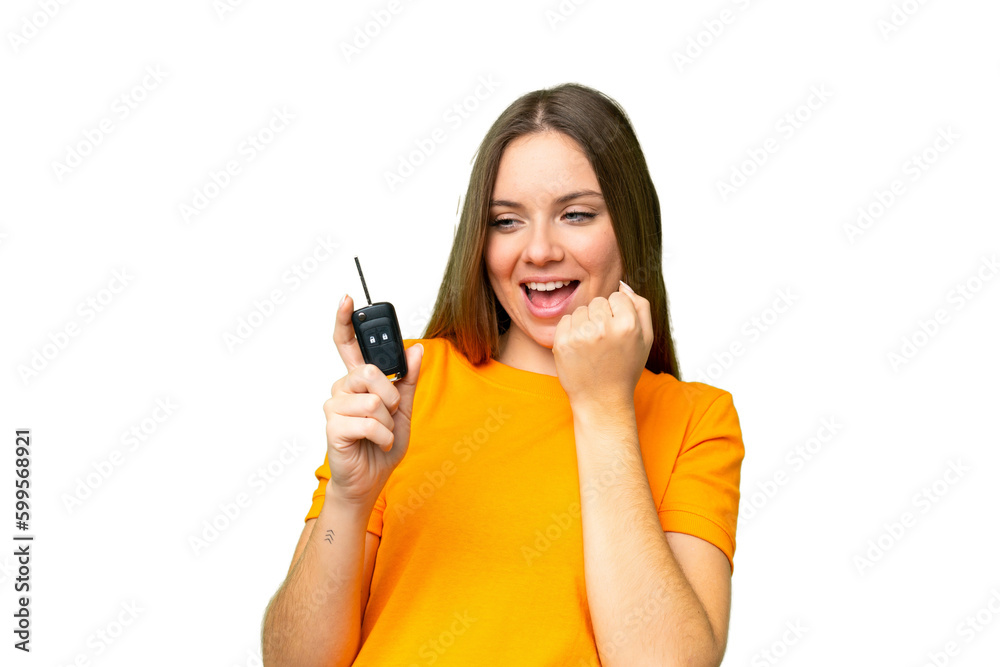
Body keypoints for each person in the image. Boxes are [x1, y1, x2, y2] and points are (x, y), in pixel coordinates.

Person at [261, 82, 745, 667]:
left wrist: (603, 408)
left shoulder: (696, 419)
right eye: (507, 221)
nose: (538, 251)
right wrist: (348, 497)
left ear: (629, 225)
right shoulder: (408, 384)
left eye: (575, 214)